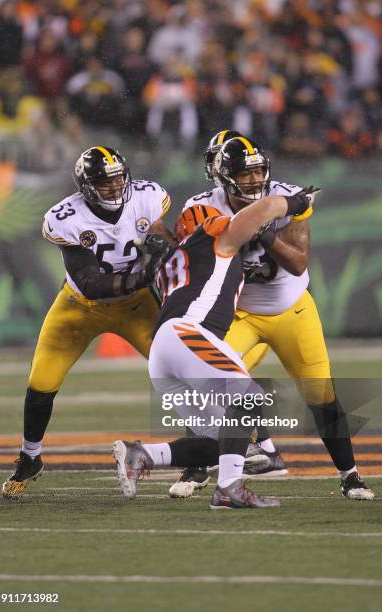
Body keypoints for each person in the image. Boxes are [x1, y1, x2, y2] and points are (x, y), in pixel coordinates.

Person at [180, 135, 374, 501]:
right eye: (244, 173)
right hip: (239, 313)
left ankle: (350, 475)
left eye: (258, 172)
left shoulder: (287, 198)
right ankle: (198, 467)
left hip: (291, 310)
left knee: (320, 393)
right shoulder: (202, 207)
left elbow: (298, 260)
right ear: (224, 176)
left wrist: (264, 231)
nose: (254, 180)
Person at [113, 166, 315, 509]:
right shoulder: (214, 232)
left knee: (219, 439)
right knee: (250, 398)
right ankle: (229, 488)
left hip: (166, 350)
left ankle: (142, 454)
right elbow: (262, 212)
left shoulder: (172, 260)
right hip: (188, 334)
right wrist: (294, 203)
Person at [2, 145, 173, 500]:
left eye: (117, 179)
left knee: (178, 368)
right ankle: (30, 457)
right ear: (86, 185)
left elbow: (162, 236)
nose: (114, 187)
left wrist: (162, 244)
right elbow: (92, 283)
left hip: (136, 306)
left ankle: (202, 450)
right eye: (103, 182)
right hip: (79, 305)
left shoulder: (147, 197)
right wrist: (141, 277)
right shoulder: (66, 217)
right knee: (41, 380)